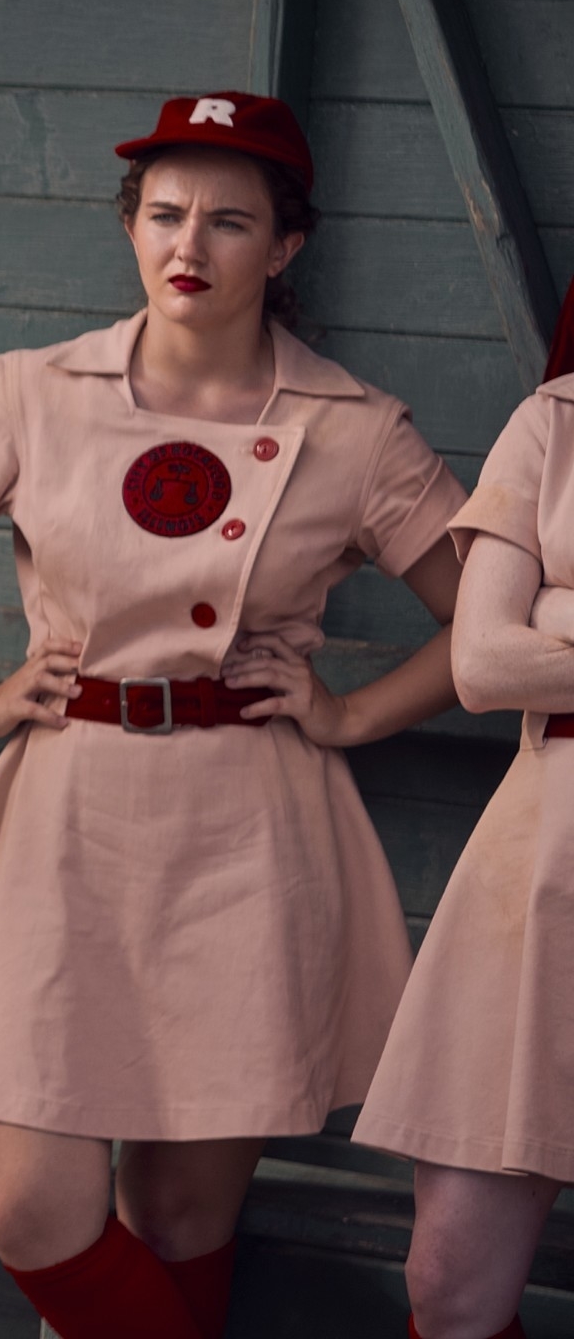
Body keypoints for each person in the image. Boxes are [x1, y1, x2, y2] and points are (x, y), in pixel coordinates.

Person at [0, 92, 465, 1339]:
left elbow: (490, 623)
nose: (188, 243)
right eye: (163, 212)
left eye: (230, 220)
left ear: (286, 244)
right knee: (30, 1206)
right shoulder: (31, 390)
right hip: (68, 810)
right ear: (130, 225)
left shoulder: (355, 428)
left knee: (183, 1214)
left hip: (247, 828)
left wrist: (352, 712)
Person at [350, 303, 574, 1339]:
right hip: (542, 865)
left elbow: (519, 639)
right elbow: (483, 663)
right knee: (448, 1283)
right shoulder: (555, 423)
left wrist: (554, 615)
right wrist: (522, 636)